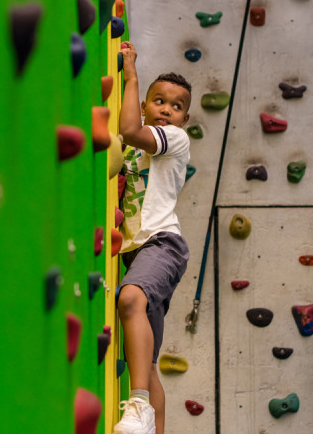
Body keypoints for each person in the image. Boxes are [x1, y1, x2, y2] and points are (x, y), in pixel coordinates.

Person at [113, 41, 192, 434]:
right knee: (146, 360)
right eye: (158, 101)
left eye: (176, 107)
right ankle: (150, 419)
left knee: (130, 298)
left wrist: (131, 75)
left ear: (185, 119)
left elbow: (127, 129)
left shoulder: (174, 141)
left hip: (163, 244)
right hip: (133, 252)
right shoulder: (134, 147)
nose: (166, 109)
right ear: (145, 104)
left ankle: (139, 404)